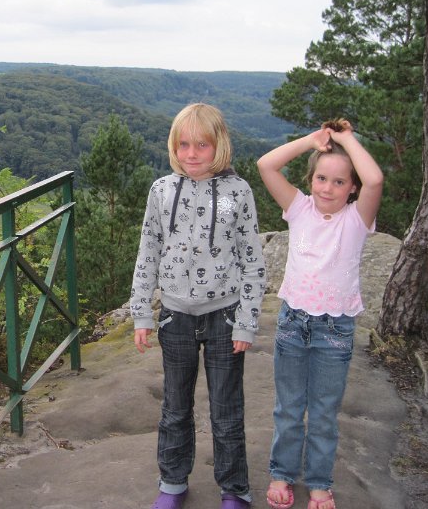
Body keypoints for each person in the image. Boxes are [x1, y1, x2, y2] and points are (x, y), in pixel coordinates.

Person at [130, 103, 266, 509]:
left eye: (202, 145)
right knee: (175, 408)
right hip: (174, 317)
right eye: (184, 144)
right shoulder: (161, 190)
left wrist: (246, 322)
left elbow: (252, 260)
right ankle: (172, 483)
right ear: (174, 146)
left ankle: (235, 489)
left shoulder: (237, 193)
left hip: (225, 316)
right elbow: (148, 251)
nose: (192, 154)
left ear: (219, 145)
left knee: (226, 411)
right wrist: (142, 312)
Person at [256, 120, 383, 509]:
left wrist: (347, 140)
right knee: (289, 408)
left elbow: (376, 179)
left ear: (353, 187)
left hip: (335, 329)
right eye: (321, 178)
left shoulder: (357, 220)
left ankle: (318, 482)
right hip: (293, 323)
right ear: (310, 180)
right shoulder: (298, 208)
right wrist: (311, 141)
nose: (328, 188)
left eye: (339, 182)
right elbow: (266, 165)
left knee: (324, 413)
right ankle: (282, 473)